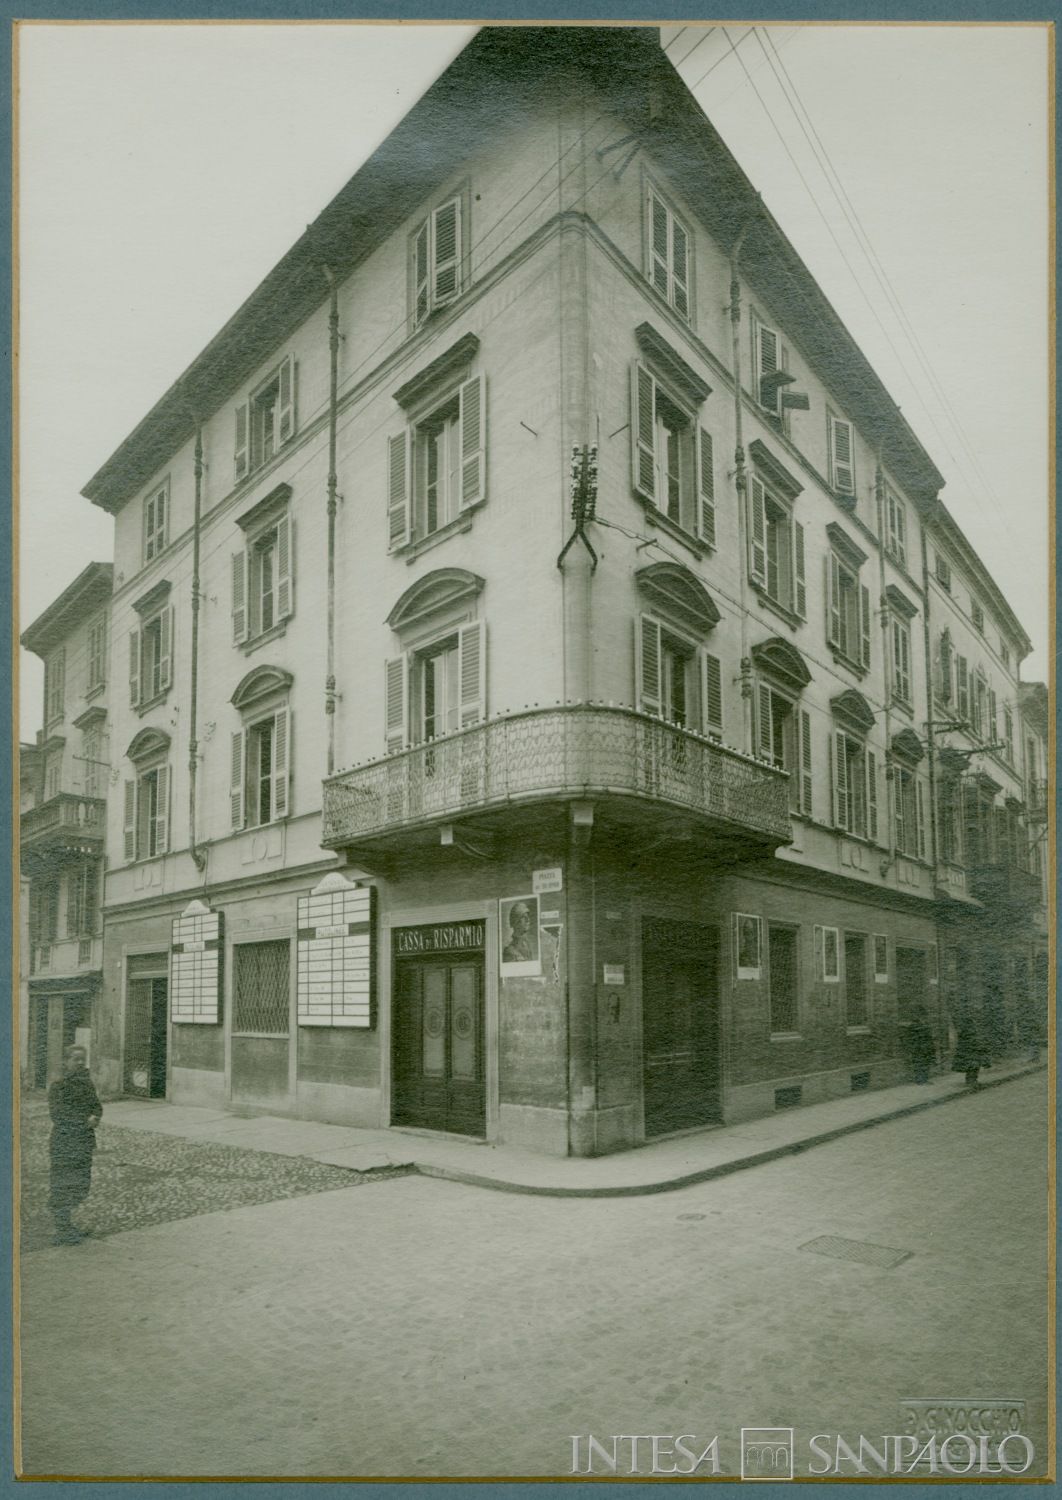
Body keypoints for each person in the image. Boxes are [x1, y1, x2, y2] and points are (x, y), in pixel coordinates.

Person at [48, 1044, 102, 1245]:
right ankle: (62, 1229)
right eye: (75, 1059)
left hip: (84, 1142)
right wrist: (84, 1121)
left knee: (81, 1184)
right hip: (64, 1143)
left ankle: (67, 1226)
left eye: (82, 1059)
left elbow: (97, 1105)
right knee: (63, 1184)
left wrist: (96, 1116)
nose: (80, 1062)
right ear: (66, 1061)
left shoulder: (87, 1083)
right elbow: (59, 1115)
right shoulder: (59, 1085)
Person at [951, 1008, 991, 1091]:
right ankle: (971, 1081)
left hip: (973, 1048)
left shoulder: (972, 1025)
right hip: (970, 1048)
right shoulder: (966, 1025)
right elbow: (967, 1036)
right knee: (973, 1064)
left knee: (975, 1064)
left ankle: (973, 1080)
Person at [907, 1004, 936, 1084]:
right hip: (919, 1048)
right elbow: (914, 1039)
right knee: (919, 1063)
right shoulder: (914, 1025)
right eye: (922, 1016)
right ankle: (920, 1080)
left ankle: (924, 1079)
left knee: (926, 1063)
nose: (923, 1018)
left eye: (924, 1016)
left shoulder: (924, 1024)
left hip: (926, 1047)